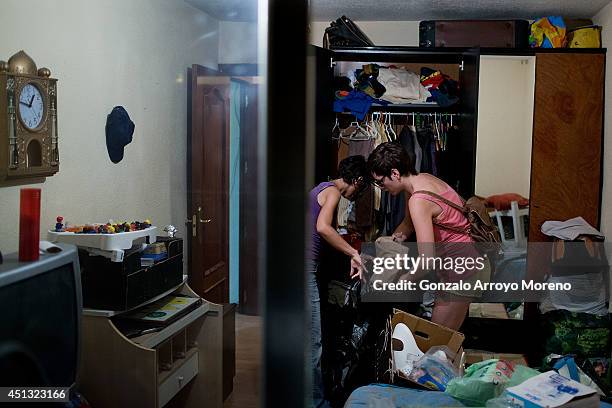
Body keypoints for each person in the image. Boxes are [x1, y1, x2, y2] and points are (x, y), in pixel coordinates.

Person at [367, 142, 490, 330]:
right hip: (467, 261)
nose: (381, 187)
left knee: (437, 341)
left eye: (381, 182)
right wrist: (388, 247)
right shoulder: (422, 181)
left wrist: (405, 279)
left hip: (464, 268)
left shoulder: (418, 200)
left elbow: (427, 260)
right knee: (444, 340)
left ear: (394, 173)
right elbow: (407, 225)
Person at [306, 155, 366, 408]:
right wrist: (353, 252)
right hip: (305, 268)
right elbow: (322, 227)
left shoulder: (320, 187)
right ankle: (317, 403)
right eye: (361, 188)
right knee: (313, 342)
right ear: (357, 180)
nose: (359, 193)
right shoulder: (332, 192)